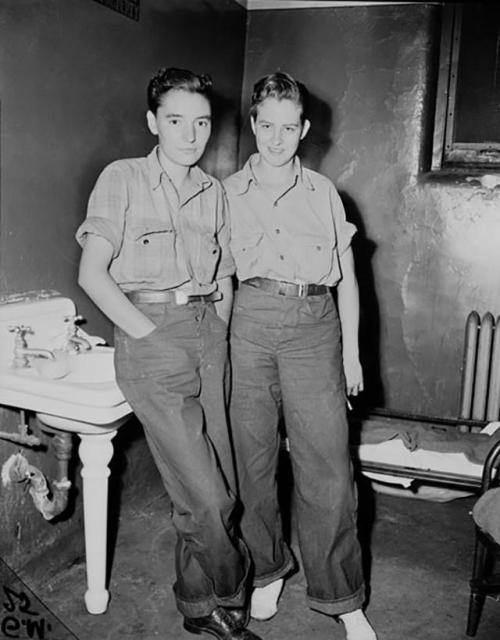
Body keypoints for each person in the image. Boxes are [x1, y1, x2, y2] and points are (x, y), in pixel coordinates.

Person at [76, 67, 263, 640]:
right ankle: (235, 591)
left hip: (209, 331)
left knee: (213, 478)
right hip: (152, 333)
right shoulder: (123, 178)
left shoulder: (214, 192)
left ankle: (196, 606)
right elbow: (92, 273)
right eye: (177, 121)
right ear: (153, 122)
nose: (191, 134)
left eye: (202, 122)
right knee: (209, 498)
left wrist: (220, 331)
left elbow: (225, 275)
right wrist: (148, 335)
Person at [223, 72, 377, 640]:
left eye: (290, 127)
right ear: (255, 125)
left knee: (329, 469)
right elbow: (220, 283)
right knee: (251, 464)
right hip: (250, 327)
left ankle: (341, 594)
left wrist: (352, 355)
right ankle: (267, 570)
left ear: (305, 129)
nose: (278, 138)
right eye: (267, 126)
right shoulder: (227, 196)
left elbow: (350, 282)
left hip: (315, 329)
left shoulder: (326, 194)